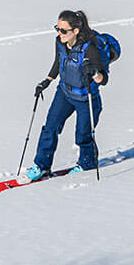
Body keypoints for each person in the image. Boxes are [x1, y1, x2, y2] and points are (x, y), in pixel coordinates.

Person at [20, 10, 109, 182]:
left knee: (83, 135)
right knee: (50, 128)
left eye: (63, 30)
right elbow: (58, 62)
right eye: (57, 29)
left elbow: (103, 80)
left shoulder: (89, 49)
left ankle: (87, 164)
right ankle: (42, 166)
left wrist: (94, 73)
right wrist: (46, 81)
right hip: (64, 93)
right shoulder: (60, 42)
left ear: (75, 31)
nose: (59, 33)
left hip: (86, 98)